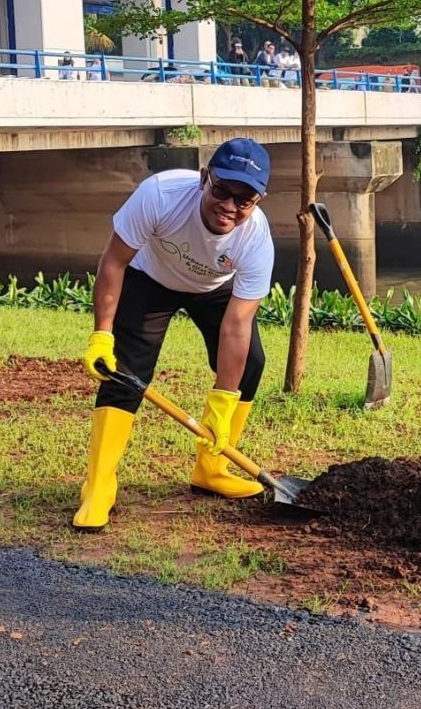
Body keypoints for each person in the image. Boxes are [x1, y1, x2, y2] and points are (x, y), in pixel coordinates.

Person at [75, 138, 276, 531]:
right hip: (150, 278)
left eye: (245, 199)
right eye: (222, 190)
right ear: (205, 178)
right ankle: (98, 485)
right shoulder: (160, 194)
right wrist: (102, 335)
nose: (230, 206)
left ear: (259, 200)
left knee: (251, 362)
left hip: (214, 288)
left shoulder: (256, 240)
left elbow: (237, 325)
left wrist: (221, 404)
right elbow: (114, 261)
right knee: (126, 372)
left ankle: (212, 467)